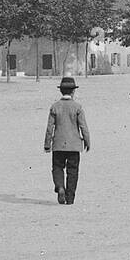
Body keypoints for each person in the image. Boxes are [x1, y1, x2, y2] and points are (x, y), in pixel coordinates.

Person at [44, 76, 90, 205]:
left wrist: (47, 144)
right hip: (74, 145)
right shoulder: (77, 107)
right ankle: (70, 198)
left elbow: (49, 127)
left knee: (57, 167)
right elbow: (83, 126)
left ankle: (59, 187)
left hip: (58, 144)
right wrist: (87, 141)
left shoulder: (55, 107)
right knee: (73, 171)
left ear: (61, 91)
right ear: (73, 91)